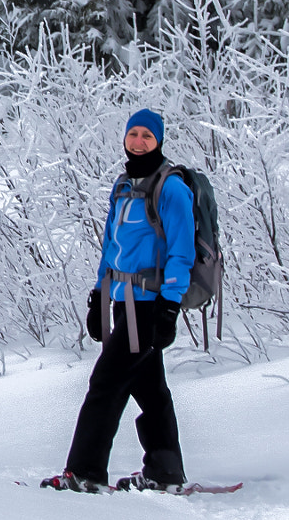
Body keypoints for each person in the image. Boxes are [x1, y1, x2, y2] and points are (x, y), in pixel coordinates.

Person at [41, 108, 194, 493]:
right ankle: (165, 471)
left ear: (158, 140)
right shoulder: (123, 186)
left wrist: (170, 305)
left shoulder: (171, 188)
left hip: (150, 305)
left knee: (105, 383)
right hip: (122, 300)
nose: (139, 141)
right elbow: (111, 246)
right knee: (150, 388)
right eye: (134, 134)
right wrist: (98, 295)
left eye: (147, 135)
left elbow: (181, 252)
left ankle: (86, 471)